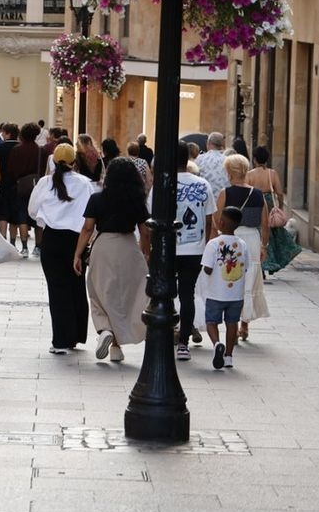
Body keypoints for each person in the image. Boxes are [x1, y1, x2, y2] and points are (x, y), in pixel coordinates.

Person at [74, 158, 150, 363]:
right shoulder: (137, 200)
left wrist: (77, 254)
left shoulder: (97, 199)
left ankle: (105, 329)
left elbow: (88, 228)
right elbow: (145, 231)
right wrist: (146, 253)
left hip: (104, 246)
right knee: (128, 296)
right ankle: (116, 347)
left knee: (99, 293)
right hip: (128, 246)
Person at [28, 144, 95, 354]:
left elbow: (32, 210)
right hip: (77, 239)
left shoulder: (45, 183)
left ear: (54, 162)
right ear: (75, 162)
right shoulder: (85, 183)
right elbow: (90, 215)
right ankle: (76, 334)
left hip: (53, 238)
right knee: (76, 285)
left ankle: (61, 340)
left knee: (57, 289)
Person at [163, 141, 217, 361]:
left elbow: (149, 217)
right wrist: (205, 246)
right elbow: (209, 219)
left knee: (165, 294)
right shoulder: (203, 185)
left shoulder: (163, 184)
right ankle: (183, 342)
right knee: (187, 295)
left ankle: (166, 336)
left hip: (168, 247)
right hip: (194, 249)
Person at [216, 154, 269, 339]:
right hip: (252, 238)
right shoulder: (257, 194)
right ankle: (244, 325)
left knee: (231, 278)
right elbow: (265, 222)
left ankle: (233, 321)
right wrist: (264, 246)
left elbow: (217, 220)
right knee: (250, 278)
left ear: (230, 172)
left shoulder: (225, 193)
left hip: (232, 238)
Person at [201, 206, 249, 370]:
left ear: (221, 222)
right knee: (232, 323)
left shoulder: (213, 244)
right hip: (236, 294)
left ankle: (216, 344)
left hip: (216, 292)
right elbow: (246, 267)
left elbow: (207, 268)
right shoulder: (242, 244)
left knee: (211, 322)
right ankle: (228, 356)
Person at [245, 147, 301, 275]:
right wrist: (280, 207)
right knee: (271, 234)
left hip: (255, 204)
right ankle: (270, 262)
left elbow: (247, 191)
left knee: (258, 232)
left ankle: (261, 262)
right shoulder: (272, 173)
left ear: (254, 159)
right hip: (269, 204)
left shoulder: (250, 175)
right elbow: (280, 193)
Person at [8, 122, 46, 257]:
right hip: (37, 186)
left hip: (21, 186)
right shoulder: (41, 150)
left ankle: (24, 247)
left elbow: (11, 169)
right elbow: (44, 170)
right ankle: (38, 246)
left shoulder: (17, 150)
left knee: (22, 215)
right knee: (37, 217)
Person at [0, 123, 20, 242]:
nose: (2, 135)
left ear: (8, 133)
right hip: (17, 183)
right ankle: (13, 241)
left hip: (4, 182)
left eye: (4, 133)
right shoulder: (20, 146)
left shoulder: (0, 147)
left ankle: (3, 238)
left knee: (3, 212)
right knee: (14, 213)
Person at [197, 131, 229, 197]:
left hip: (204, 199)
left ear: (208, 143)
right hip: (223, 200)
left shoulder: (200, 159)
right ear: (222, 145)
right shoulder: (228, 160)